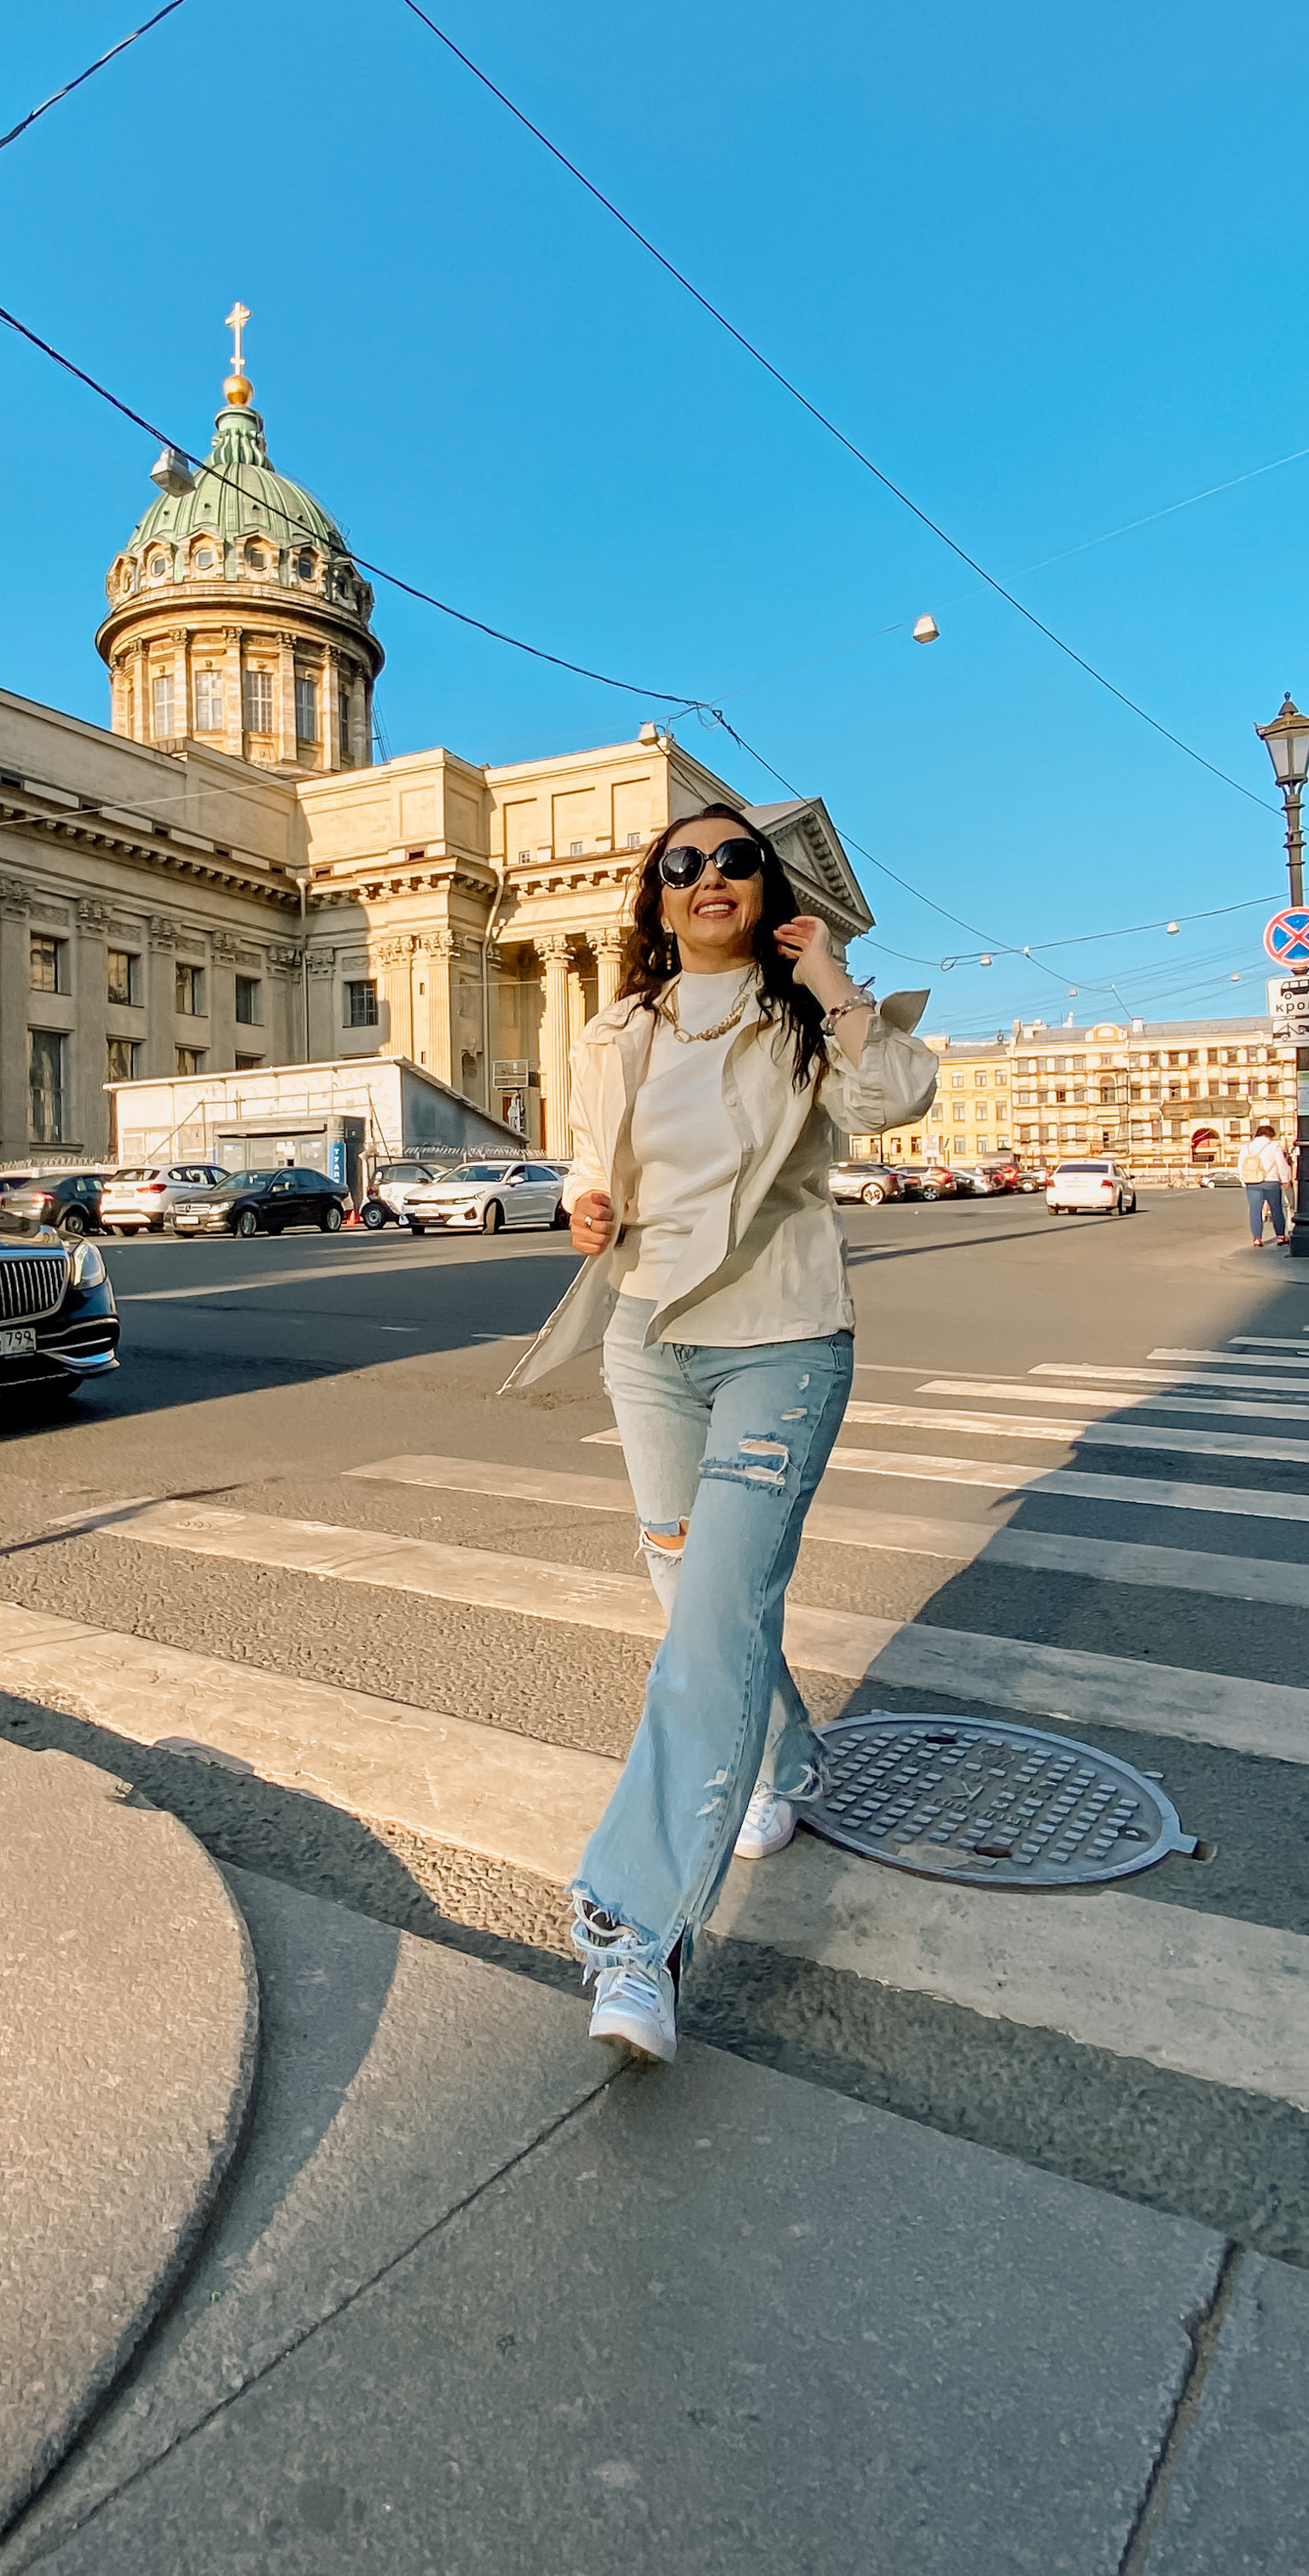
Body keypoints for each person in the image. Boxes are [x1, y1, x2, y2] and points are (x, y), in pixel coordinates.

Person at [501, 804, 936, 2064]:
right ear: (655, 894)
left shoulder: (803, 1020)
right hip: (646, 1336)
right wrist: (587, 1205)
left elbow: (898, 1097)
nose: (706, 878)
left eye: (733, 859)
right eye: (679, 864)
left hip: (782, 1340)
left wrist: (829, 973)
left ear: (765, 885)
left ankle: (633, 1931)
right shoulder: (617, 1026)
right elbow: (595, 1161)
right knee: (693, 1581)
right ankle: (787, 1761)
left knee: (711, 1620)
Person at [1239, 1123, 1290, 1247]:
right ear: (1270, 1135)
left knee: (1255, 1210)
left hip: (1252, 1182)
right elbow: (1281, 1164)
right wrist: (1285, 1179)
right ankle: (1280, 1236)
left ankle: (1257, 1238)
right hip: (1271, 1181)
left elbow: (1241, 1166)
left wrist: (1243, 1181)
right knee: (1276, 1209)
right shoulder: (1274, 1146)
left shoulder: (1246, 1147)